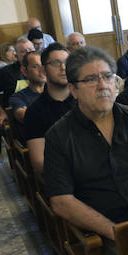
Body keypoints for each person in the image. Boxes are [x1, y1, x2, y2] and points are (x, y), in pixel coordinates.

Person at [44, 46, 128, 255]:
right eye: (91, 79)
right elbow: (61, 201)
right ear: (73, 89)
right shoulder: (59, 137)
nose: (102, 85)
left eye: (107, 77)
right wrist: (117, 233)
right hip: (107, 234)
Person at [24, 43, 73, 175]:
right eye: (56, 63)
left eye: (67, 62)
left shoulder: (85, 99)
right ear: (44, 70)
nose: (63, 68)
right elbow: (39, 163)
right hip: (64, 177)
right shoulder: (35, 111)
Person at [0, 37, 36, 126]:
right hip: (17, 119)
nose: (28, 53)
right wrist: (2, 113)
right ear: (16, 55)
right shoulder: (6, 72)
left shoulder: (43, 69)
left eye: (31, 50)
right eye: (23, 51)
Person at [8, 50, 46, 142]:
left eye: (44, 65)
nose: (42, 70)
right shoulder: (18, 97)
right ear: (24, 71)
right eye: (35, 66)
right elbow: (24, 117)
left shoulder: (57, 91)